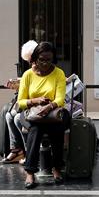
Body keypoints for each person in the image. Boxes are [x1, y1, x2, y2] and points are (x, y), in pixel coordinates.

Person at [17, 41, 69, 189]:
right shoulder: (28, 75)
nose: (45, 63)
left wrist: (48, 107)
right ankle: (30, 172)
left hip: (54, 112)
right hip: (31, 114)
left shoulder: (59, 73)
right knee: (36, 128)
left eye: (49, 60)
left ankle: (56, 168)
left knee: (57, 128)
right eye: (42, 60)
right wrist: (35, 101)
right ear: (34, 59)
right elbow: (20, 102)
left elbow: (60, 99)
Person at [1, 40, 38, 164]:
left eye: (30, 60)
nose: (30, 63)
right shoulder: (31, 71)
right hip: (31, 104)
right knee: (9, 116)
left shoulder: (46, 69)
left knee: (17, 118)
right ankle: (17, 149)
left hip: (38, 106)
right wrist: (19, 85)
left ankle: (29, 152)